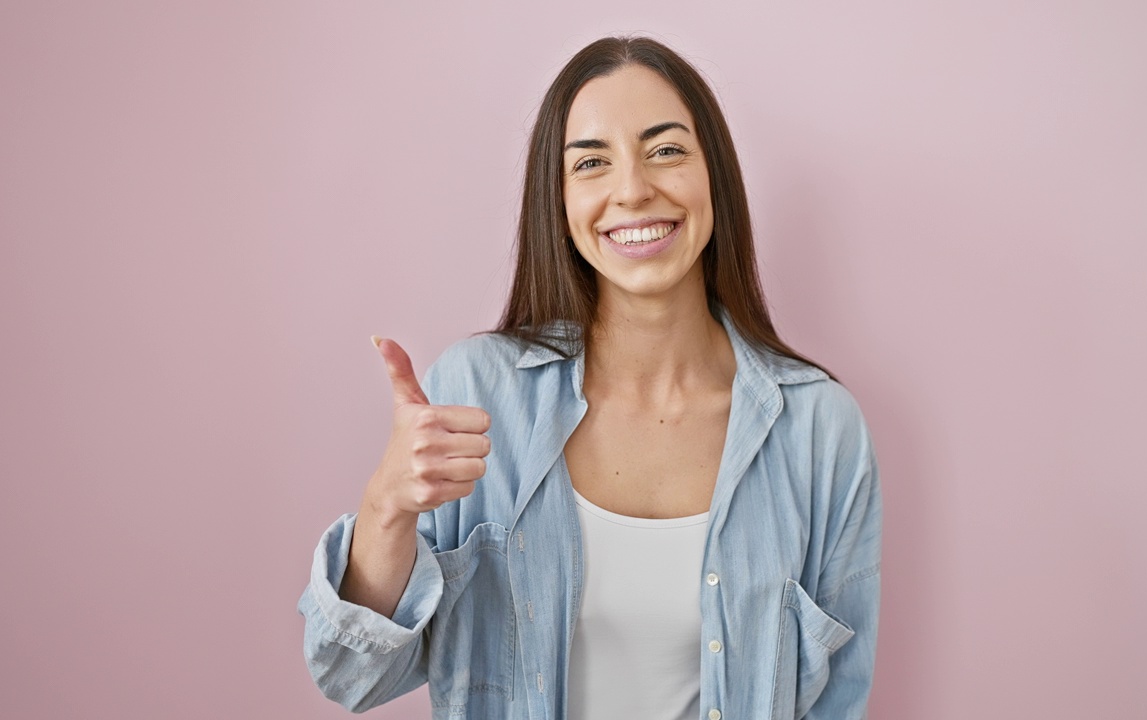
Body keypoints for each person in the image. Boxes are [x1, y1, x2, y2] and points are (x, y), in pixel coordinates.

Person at [298, 36, 881, 719]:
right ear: (560, 200)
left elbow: (838, 703)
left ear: (714, 176)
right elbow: (350, 677)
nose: (633, 189)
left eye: (666, 150)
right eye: (592, 163)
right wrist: (386, 507)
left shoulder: (819, 430)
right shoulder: (474, 392)